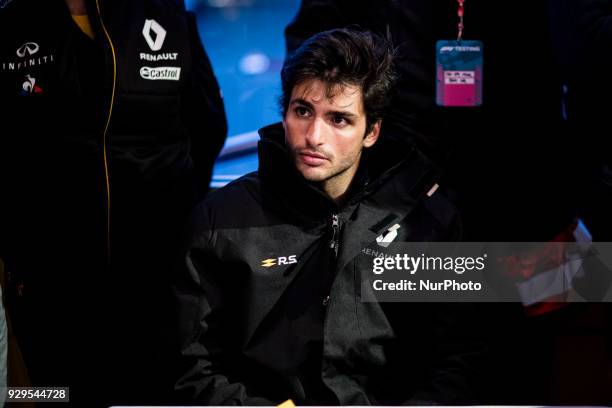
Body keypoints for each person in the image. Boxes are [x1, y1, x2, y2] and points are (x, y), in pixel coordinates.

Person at [174, 28, 484, 405]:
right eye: (302, 111)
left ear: (371, 131)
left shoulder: (427, 223)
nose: (314, 136)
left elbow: (460, 361)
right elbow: (189, 369)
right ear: (284, 112)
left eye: (339, 120)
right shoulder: (218, 223)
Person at [0, 0, 227, 405]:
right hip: (48, 285)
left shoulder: (166, 14)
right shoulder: (10, 22)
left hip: (156, 276)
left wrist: (174, 218)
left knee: (154, 389)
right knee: (50, 394)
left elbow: (207, 126)